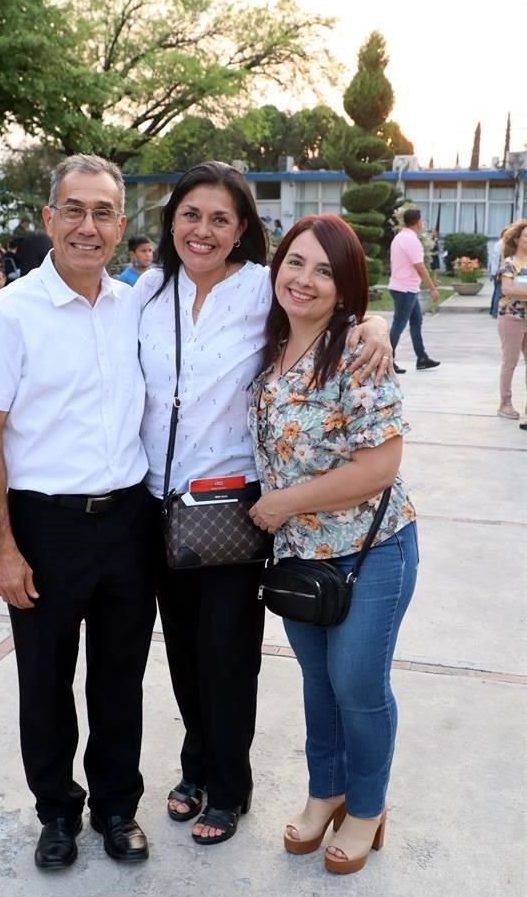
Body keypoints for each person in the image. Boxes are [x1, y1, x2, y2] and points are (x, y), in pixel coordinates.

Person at [134, 161, 392, 846]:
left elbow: (337, 310)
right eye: (191, 215)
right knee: (184, 652)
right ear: (172, 220)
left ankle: (229, 784)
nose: (203, 230)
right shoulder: (148, 291)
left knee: (227, 651)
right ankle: (195, 767)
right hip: (159, 504)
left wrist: (377, 329)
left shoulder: (259, 290)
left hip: (237, 506)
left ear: (243, 228)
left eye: (221, 218)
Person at [0, 154, 157, 870]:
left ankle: (116, 807)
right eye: (73, 209)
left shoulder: (137, 303)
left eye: (103, 212)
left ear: (121, 224)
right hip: (44, 524)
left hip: (130, 520)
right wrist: (4, 547)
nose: (87, 225)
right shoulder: (9, 315)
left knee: (119, 679)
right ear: (48, 219)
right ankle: (56, 811)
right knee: (44, 682)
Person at [248, 213, 418, 874]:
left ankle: (369, 806)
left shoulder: (360, 350)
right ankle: (328, 792)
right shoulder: (266, 346)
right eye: (296, 262)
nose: (306, 279)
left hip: (373, 550)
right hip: (300, 558)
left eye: (325, 270)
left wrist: (285, 502)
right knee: (319, 685)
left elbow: (379, 467)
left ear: (347, 287)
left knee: (356, 681)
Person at [388, 208, 440, 374]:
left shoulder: (399, 238)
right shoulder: (411, 240)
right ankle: (387, 359)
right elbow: (420, 267)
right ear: (418, 222)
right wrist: (432, 288)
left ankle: (422, 358)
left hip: (404, 287)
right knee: (399, 324)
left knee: (416, 322)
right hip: (405, 289)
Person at [496, 218, 527, 426]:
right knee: (510, 362)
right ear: (517, 239)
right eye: (526, 236)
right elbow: (507, 290)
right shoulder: (509, 263)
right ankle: (505, 404)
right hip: (511, 318)